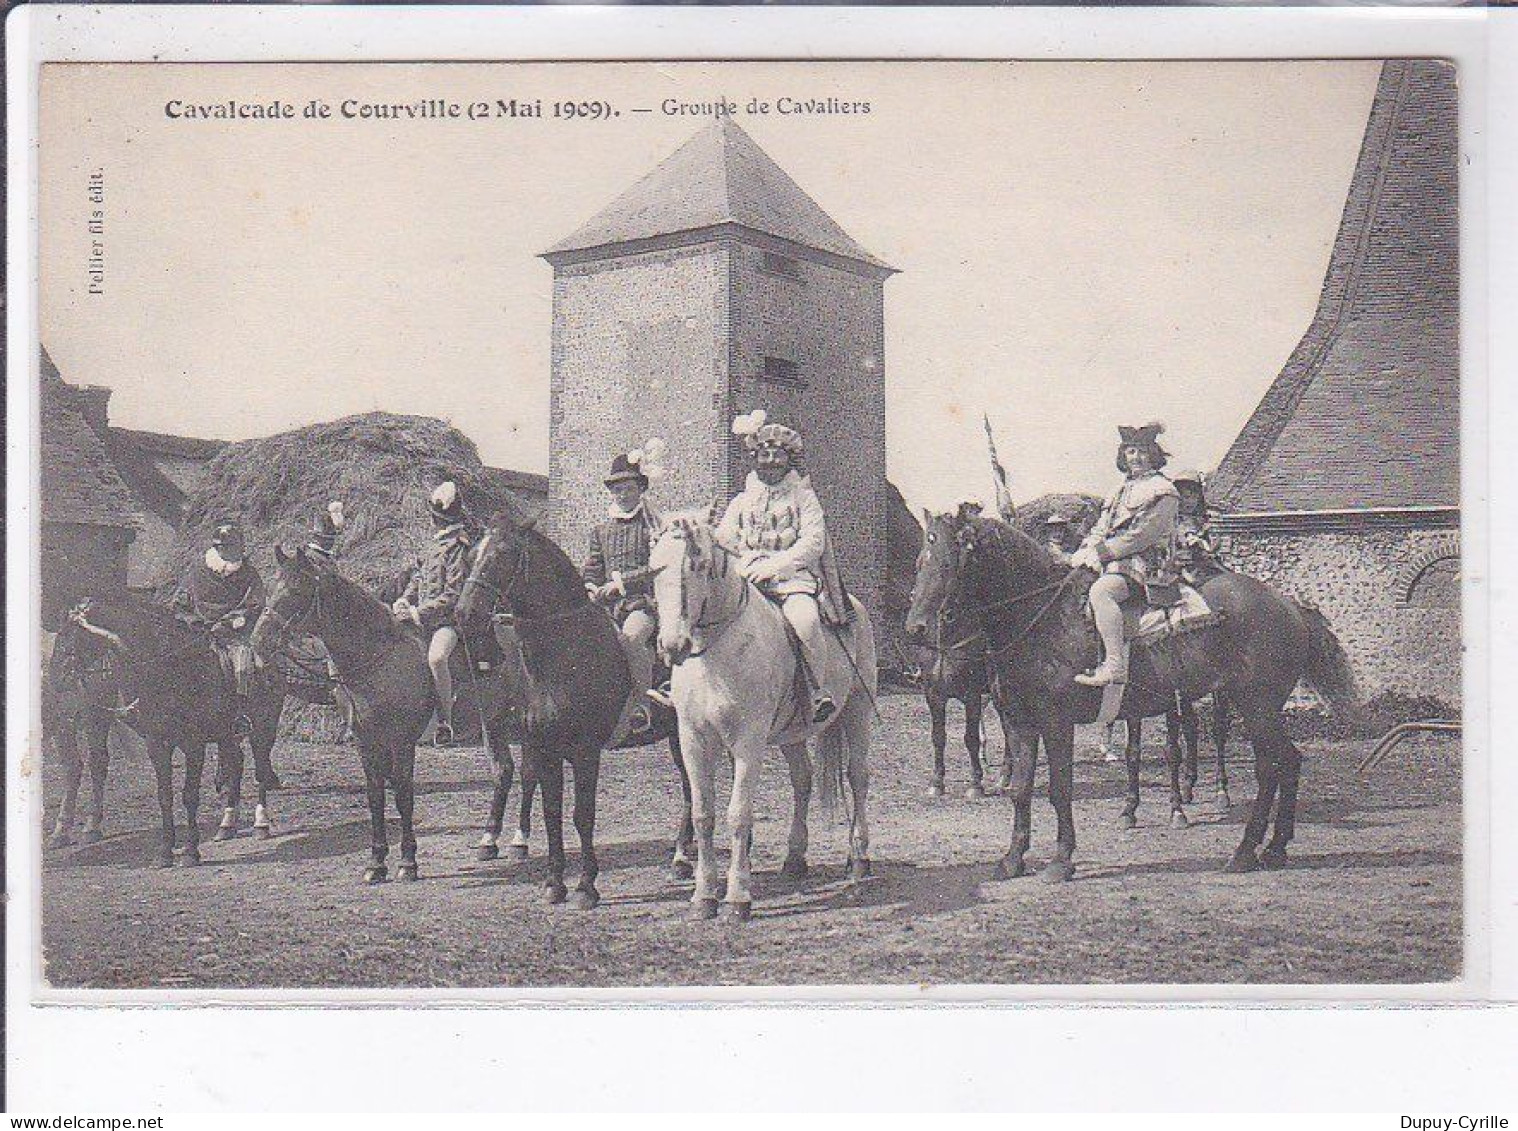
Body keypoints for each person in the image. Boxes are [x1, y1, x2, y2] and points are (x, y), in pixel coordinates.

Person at [716, 409, 850, 726]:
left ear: (788, 460)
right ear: (755, 460)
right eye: (764, 456)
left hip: (791, 580)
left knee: (804, 621)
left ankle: (817, 690)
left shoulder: (803, 497)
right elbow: (725, 539)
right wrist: (742, 563)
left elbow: (813, 541)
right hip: (746, 578)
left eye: (777, 457)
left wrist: (778, 566)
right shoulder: (741, 501)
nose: (771, 463)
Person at [1069, 424, 1181, 688]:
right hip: (1113, 561)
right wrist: (1084, 551)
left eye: (1143, 452)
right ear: (1123, 456)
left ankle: (1115, 667)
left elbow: (1143, 536)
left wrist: (1100, 553)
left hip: (1147, 563)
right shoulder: (1118, 490)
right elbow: (1101, 527)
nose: (1136, 458)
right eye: (1131, 451)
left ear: (1153, 455)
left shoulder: (1163, 490)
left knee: (1102, 593)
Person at [583, 443, 665, 738]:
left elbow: (657, 567)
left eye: (628, 488)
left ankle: (642, 704)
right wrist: (591, 586)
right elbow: (593, 565)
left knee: (631, 639)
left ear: (640, 490)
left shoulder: (652, 527)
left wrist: (619, 585)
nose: (623, 495)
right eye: (617, 490)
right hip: (606, 606)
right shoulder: (600, 531)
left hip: (641, 603)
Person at [393, 482, 473, 746]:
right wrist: (404, 599)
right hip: (420, 617)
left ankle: (445, 722)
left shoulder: (459, 547)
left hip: (446, 622)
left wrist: (418, 612)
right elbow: (418, 578)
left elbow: (453, 594)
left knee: (437, 658)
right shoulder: (432, 546)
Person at [176, 521, 266, 735]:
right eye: (223, 547)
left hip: (233, 636)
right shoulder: (198, 570)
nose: (229, 551)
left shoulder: (249, 574)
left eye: (233, 547)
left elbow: (254, 605)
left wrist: (228, 623)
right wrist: (193, 622)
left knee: (243, 666)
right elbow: (180, 602)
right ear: (217, 548)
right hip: (197, 634)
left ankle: (241, 713)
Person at [1169, 469, 1222, 586]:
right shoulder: (1169, 522)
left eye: (1194, 497)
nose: (1189, 502)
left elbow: (1215, 545)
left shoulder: (1205, 522)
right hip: (1177, 567)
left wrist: (1204, 545)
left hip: (1204, 566)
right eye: (1184, 497)